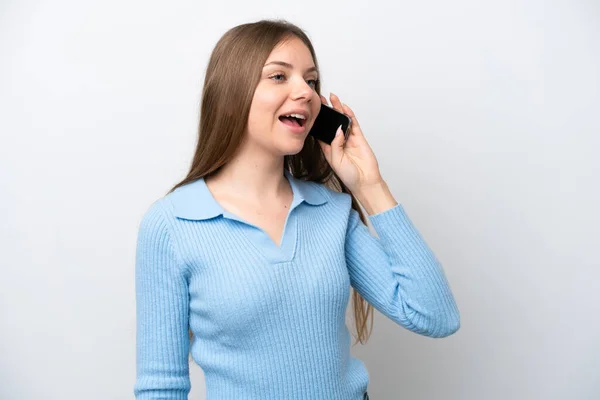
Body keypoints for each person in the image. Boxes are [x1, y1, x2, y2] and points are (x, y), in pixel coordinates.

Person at [134, 19, 460, 400]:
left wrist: (370, 186)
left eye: (311, 80)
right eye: (278, 77)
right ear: (231, 92)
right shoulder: (172, 224)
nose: (304, 92)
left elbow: (436, 316)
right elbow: (162, 388)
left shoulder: (332, 213)